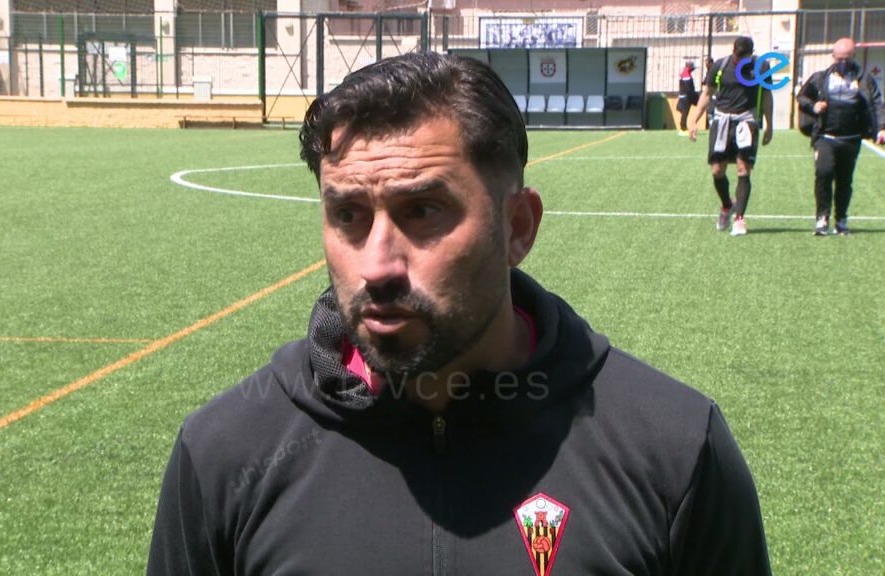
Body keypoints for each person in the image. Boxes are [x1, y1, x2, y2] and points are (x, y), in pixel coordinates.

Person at [147, 53, 772, 576]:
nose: (377, 264)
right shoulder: (227, 452)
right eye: (348, 216)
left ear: (517, 227)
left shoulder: (673, 449)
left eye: (422, 211)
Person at [797, 37, 885, 236]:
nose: (843, 63)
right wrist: (813, 106)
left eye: (847, 58)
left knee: (845, 180)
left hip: (851, 138)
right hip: (825, 136)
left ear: (853, 56)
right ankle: (822, 218)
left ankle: (841, 219)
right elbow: (803, 96)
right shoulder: (820, 78)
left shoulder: (864, 80)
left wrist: (881, 127)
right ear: (833, 57)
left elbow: (877, 104)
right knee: (824, 173)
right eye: (839, 59)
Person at [689, 37, 774, 236]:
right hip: (722, 121)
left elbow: (768, 96)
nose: (740, 60)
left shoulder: (761, 68)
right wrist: (694, 120)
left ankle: (739, 220)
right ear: (733, 51)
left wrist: (769, 125)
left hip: (747, 120)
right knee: (717, 170)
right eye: (737, 56)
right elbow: (707, 93)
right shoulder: (720, 66)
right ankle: (727, 206)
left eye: (744, 57)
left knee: (744, 169)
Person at [676, 60, 698, 132]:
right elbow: (688, 88)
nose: (694, 69)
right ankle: (683, 128)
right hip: (686, 97)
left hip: (684, 96)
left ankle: (683, 127)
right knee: (685, 112)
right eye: (693, 67)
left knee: (684, 112)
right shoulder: (686, 74)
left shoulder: (685, 72)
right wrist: (693, 96)